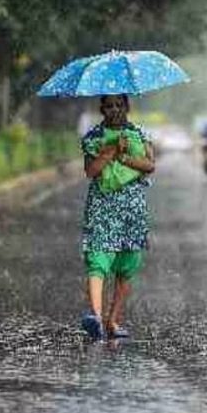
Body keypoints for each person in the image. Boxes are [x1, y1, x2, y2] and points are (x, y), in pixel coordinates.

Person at [79, 94, 156, 340]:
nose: (114, 110)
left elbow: (149, 165)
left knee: (126, 265)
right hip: (102, 206)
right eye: (109, 106)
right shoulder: (93, 137)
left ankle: (112, 320)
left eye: (119, 105)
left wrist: (124, 156)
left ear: (127, 107)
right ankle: (95, 316)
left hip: (132, 208)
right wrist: (110, 152)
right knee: (97, 258)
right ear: (102, 108)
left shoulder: (140, 133)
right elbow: (91, 171)